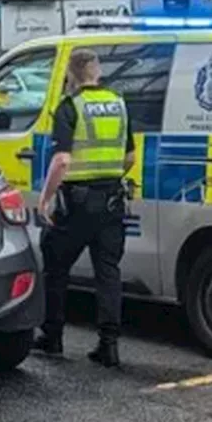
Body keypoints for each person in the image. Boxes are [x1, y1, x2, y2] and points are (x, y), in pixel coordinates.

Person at [36, 49, 134, 367]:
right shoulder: (119, 104)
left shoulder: (70, 107)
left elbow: (62, 159)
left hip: (77, 204)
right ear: (97, 71)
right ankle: (109, 345)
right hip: (111, 201)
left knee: (56, 266)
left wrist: (45, 197)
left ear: (72, 74)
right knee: (108, 272)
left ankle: (53, 338)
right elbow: (130, 157)